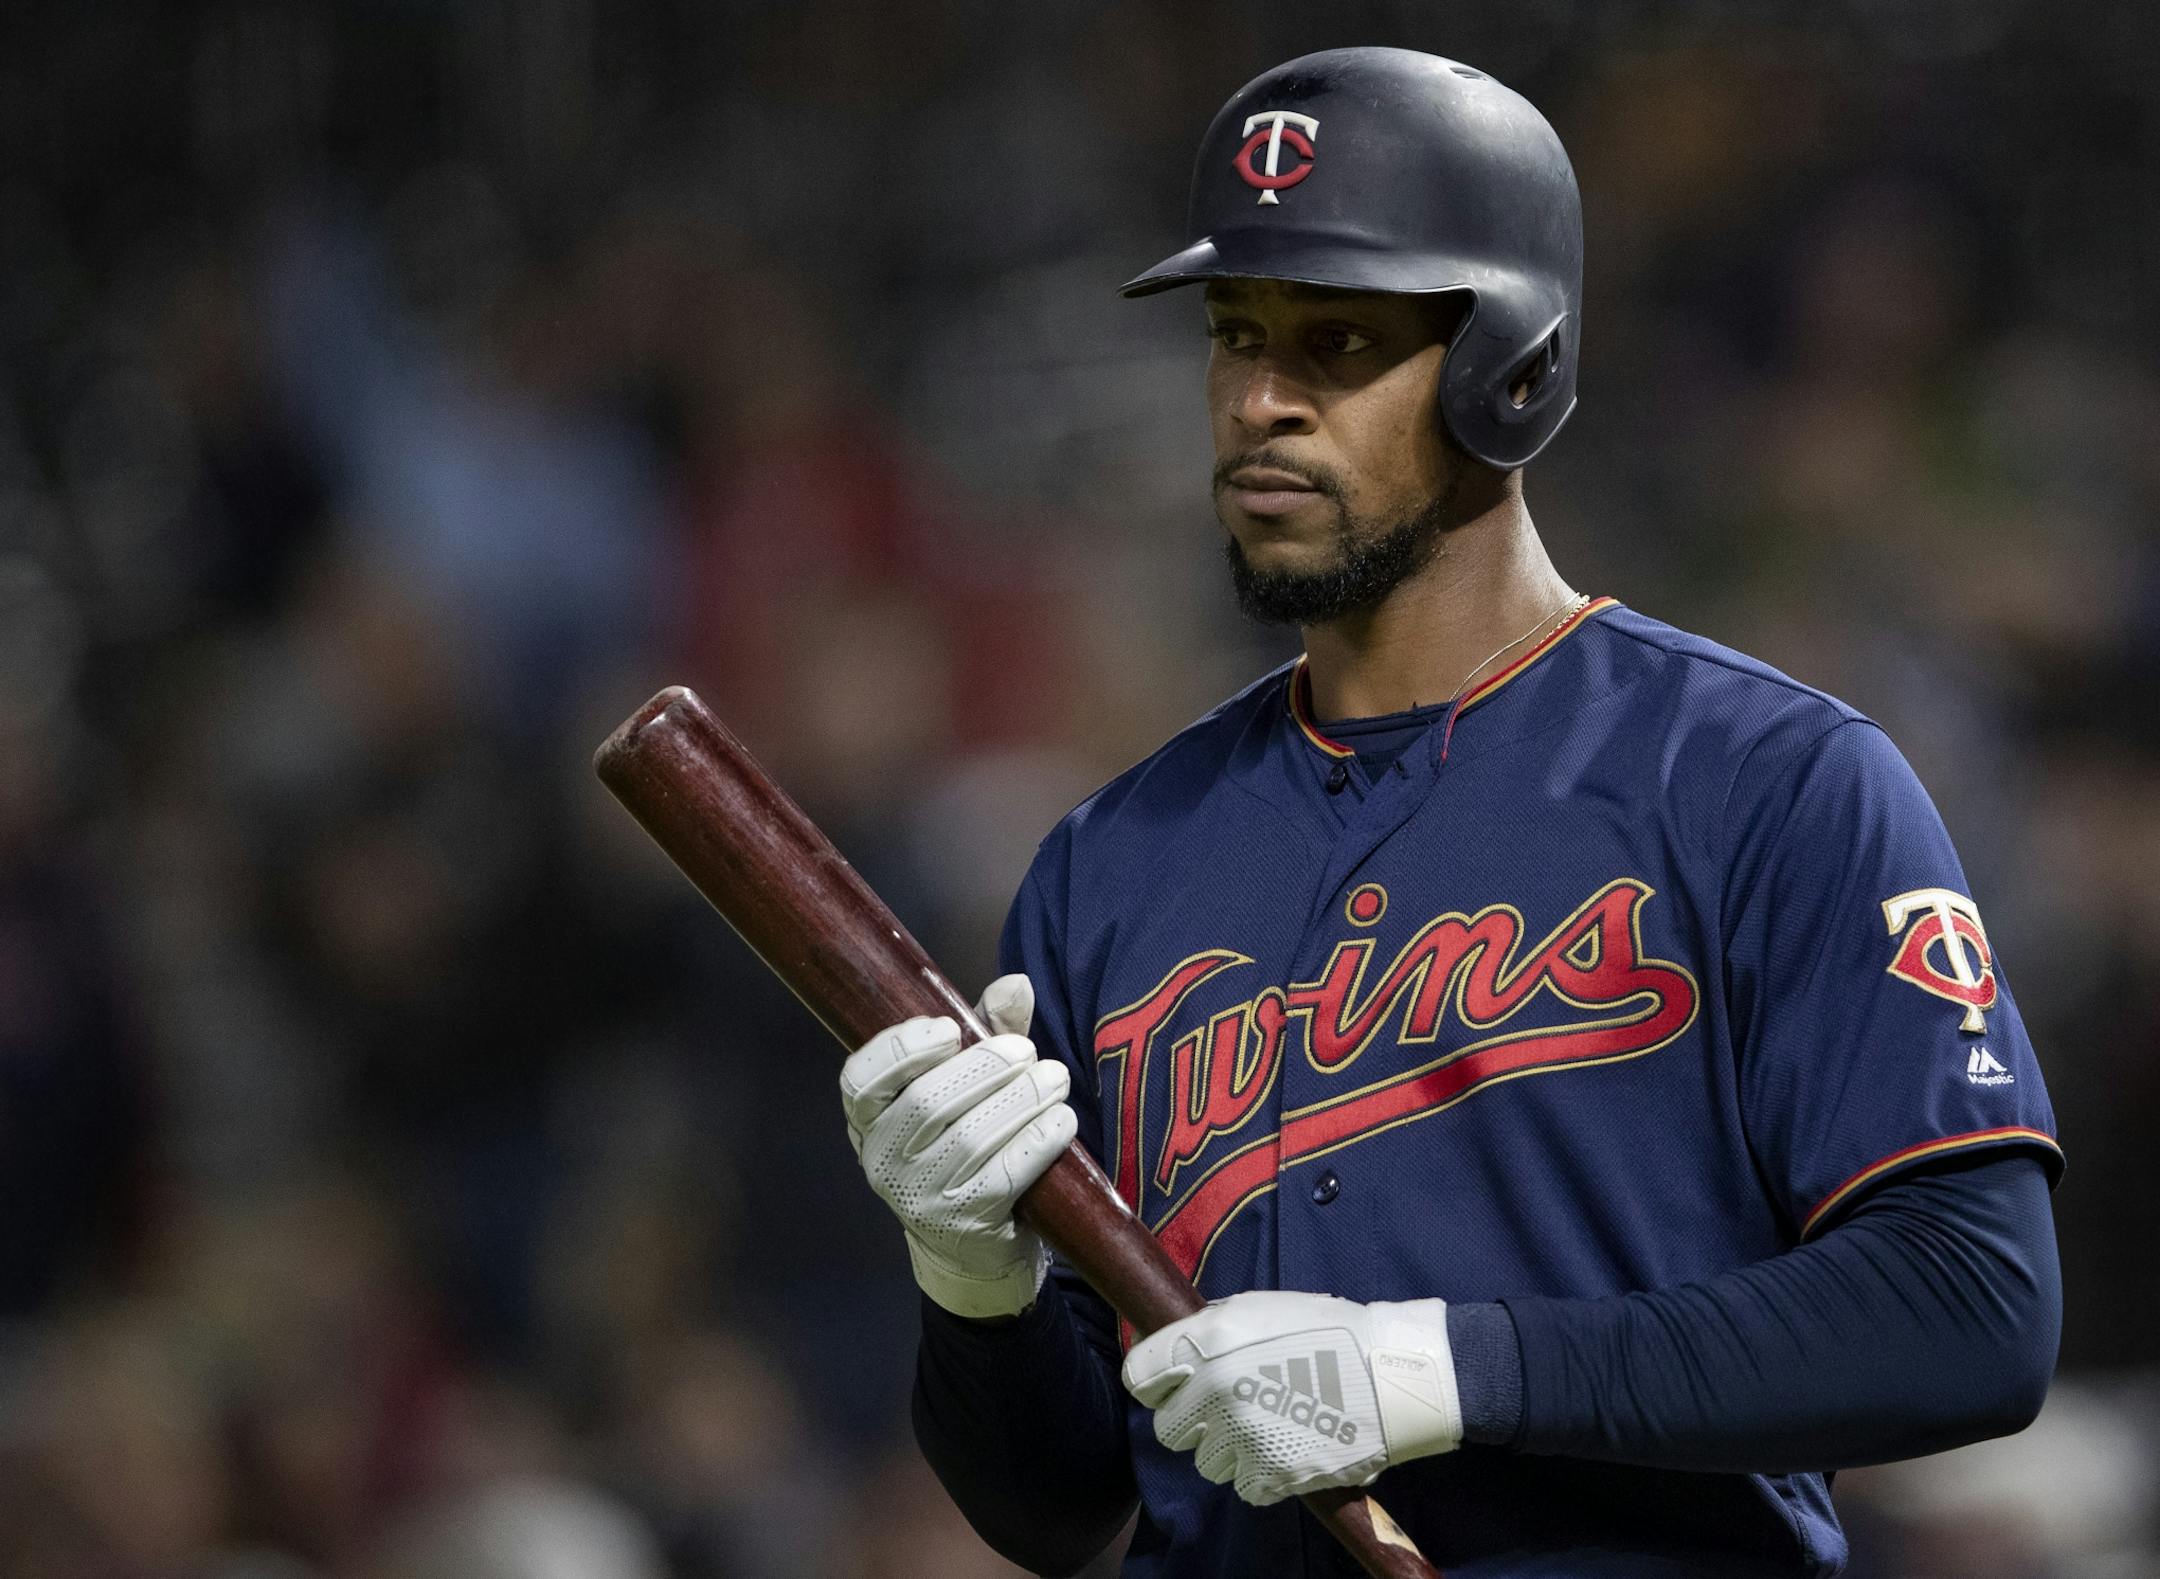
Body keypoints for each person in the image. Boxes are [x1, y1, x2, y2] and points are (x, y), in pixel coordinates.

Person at [835, 47, 2062, 1578]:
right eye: (1236, 336)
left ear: (1517, 372)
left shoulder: (1767, 780)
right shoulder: (1110, 866)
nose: (1260, 403)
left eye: (1336, 340)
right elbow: (1055, 1503)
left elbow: (1974, 1309)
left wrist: (1435, 1371)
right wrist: (974, 1280)